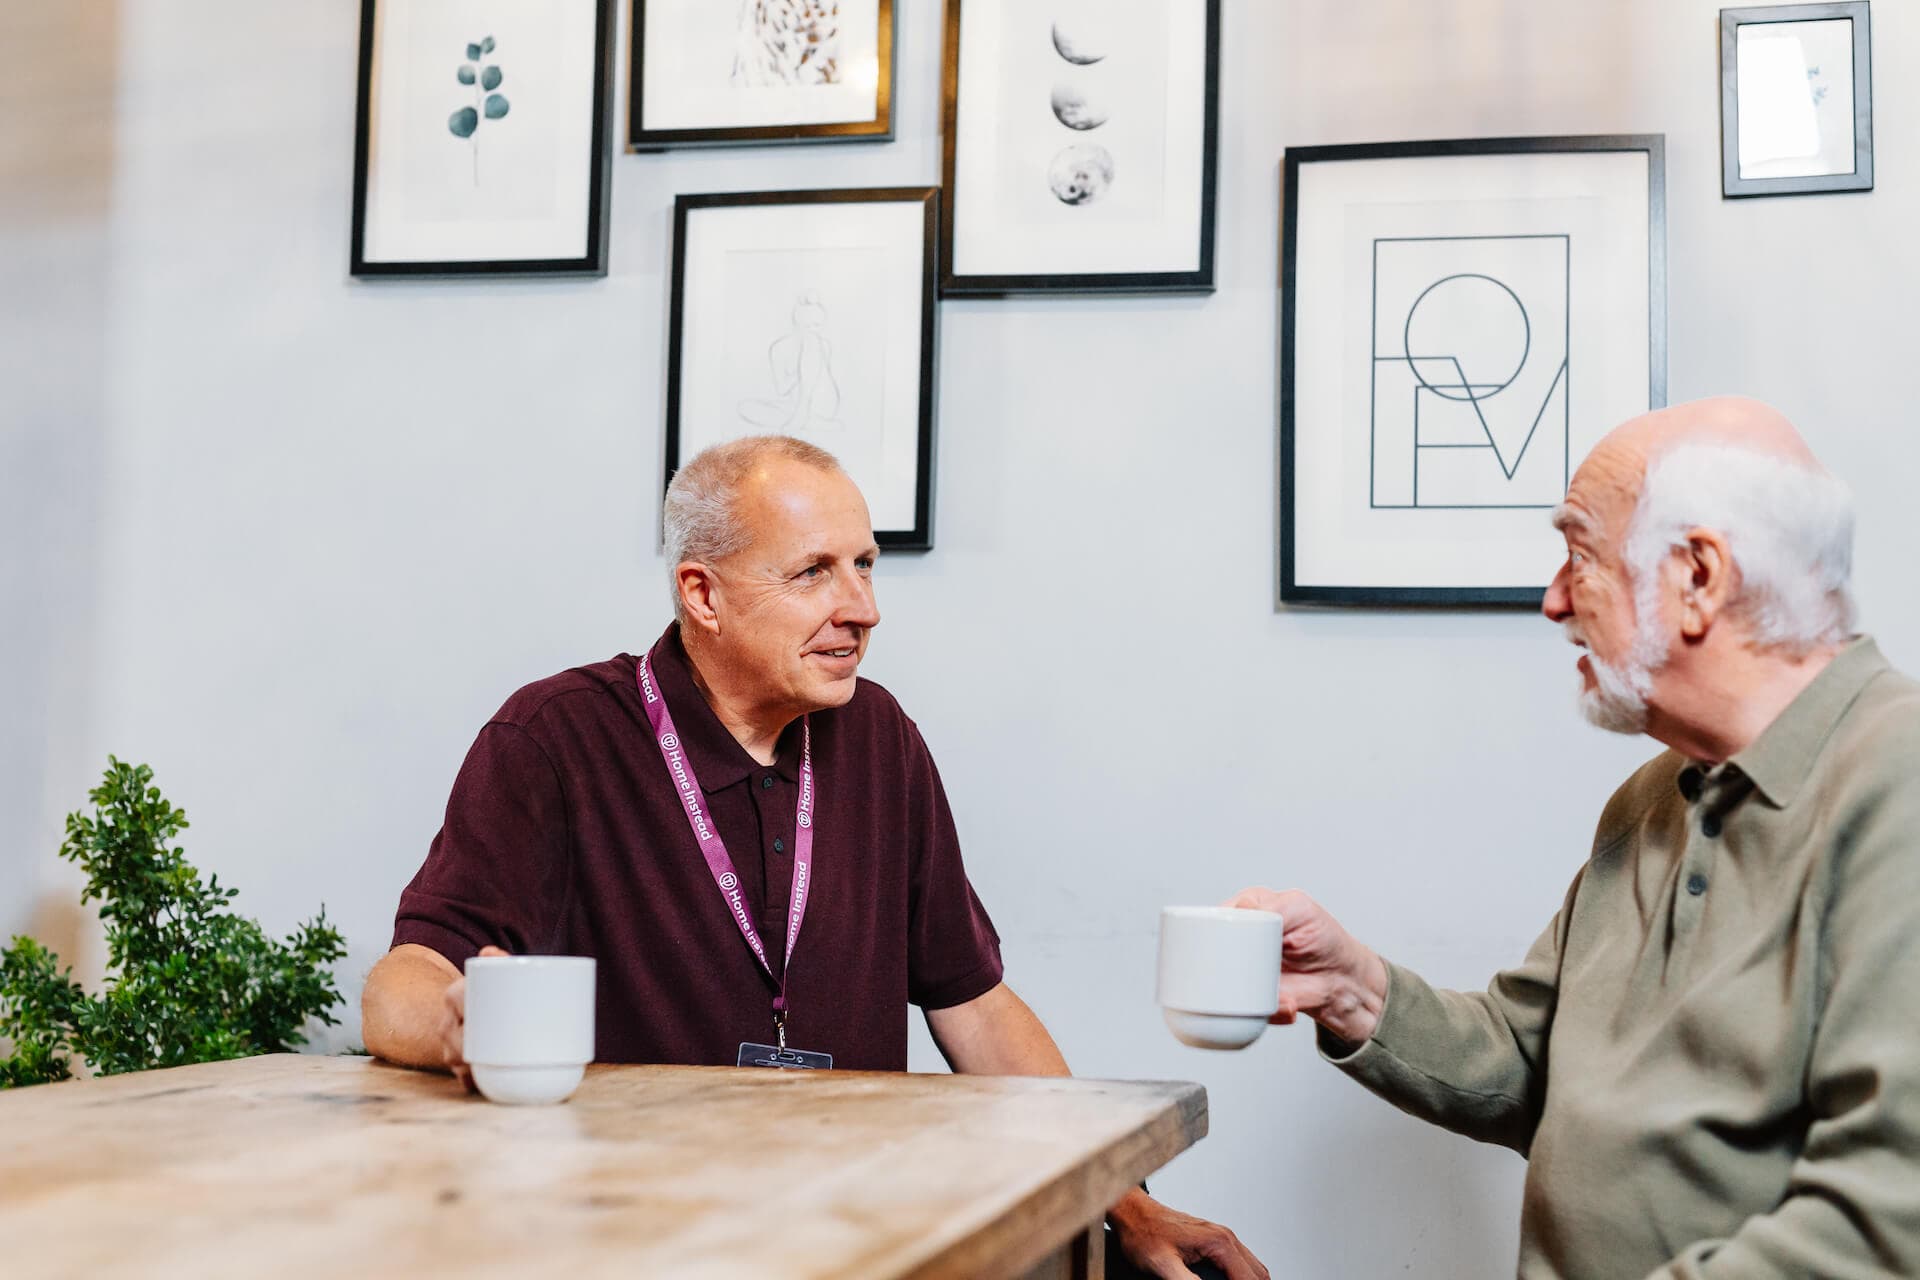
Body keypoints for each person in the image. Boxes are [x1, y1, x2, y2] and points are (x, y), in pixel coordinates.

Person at [362, 435, 1265, 1280]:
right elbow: (404, 980)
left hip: (864, 1235)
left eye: (865, 565)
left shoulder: (881, 736)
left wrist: (1126, 1202)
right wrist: (453, 1026)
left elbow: (976, 1007)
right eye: (814, 574)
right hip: (634, 1239)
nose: (863, 610)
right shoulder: (554, 738)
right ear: (702, 594)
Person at [1233, 397, 1920, 1278]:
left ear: (1699, 577)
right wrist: (1349, 989)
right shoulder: (1653, 795)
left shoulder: (1897, 784)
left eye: (1580, 554)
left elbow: (1887, 1215)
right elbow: (1533, 1061)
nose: (1553, 600)